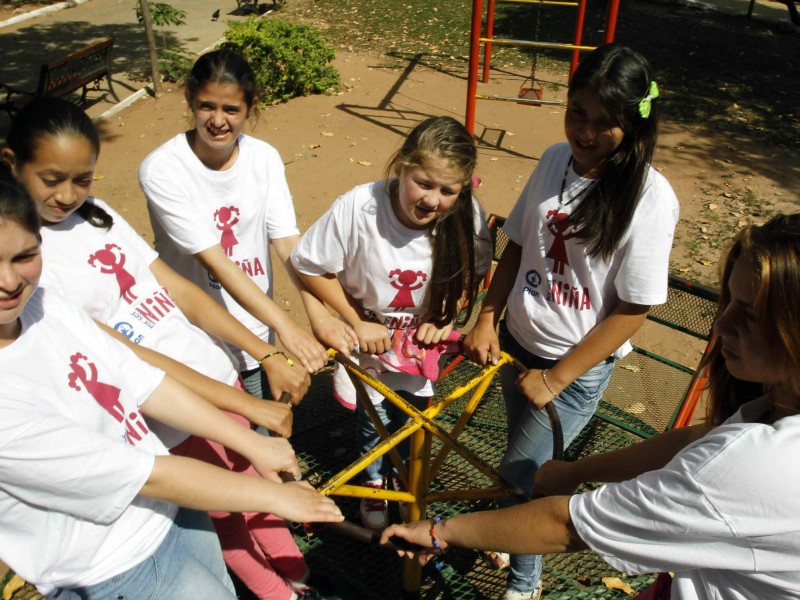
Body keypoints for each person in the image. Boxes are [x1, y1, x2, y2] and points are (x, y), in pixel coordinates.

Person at [1, 97, 326, 600]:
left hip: (209, 384)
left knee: (255, 487)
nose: (68, 194)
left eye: (82, 179)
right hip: (168, 427)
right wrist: (244, 405)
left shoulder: (95, 220)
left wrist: (259, 359)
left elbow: (179, 293)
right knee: (229, 514)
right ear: (11, 164)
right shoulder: (34, 272)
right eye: (52, 179)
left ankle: (298, 574)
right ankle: (279, 591)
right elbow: (132, 364)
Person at [383, 212, 800, 600]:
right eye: (728, 301)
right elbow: (700, 436)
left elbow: (565, 525)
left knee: (518, 473)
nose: (722, 323)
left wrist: (441, 532)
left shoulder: (754, 465)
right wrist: (580, 471)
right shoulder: (776, 404)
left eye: (751, 314)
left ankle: (525, 583)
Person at [462, 44, 679, 599]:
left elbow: (633, 309)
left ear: (634, 125)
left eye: (605, 123)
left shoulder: (651, 199)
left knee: (526, 478)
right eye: (576, 113)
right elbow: (518, 244)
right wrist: (487, 317)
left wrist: (557, 377)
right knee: (518, 455)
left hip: (568, 371)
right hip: (515, 343)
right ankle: (506, 533)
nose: (585, 132)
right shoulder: (555, 158)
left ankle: (523, 581)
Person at [291, 116, 492, 529]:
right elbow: (309, 265)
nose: (433, 200)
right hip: (372, 342)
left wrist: (447, 312)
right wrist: (357, 319)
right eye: (424, 183)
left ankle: (407, 476)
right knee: (375, 417)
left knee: (418, 414)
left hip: (418, 345)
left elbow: (475, 272)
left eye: (447, 190)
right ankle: (376, 480)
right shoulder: (360, 207)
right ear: (401, 165)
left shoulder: (465, 217)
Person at [139, 49, 342, 400]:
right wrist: (286, 326)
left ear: (251, 106)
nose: (218, 121)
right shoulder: (163, 169)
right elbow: (215, 260)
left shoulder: (263, 158)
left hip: (254, 327)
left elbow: (287, 242)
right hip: (195, 333)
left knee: (264, 426)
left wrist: (317, 312)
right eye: (207, 106)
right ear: (190, 99)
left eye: (231, 109)